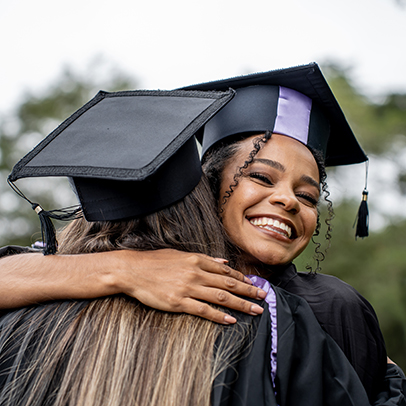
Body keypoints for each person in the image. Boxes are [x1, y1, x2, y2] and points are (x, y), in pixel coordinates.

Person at [0, 64, 405, 403]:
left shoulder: (332, 306)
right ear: (209, 185)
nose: (288, 201)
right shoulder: (65, 276)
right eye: (261, 177)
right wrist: (125, 269)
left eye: (308, 195)